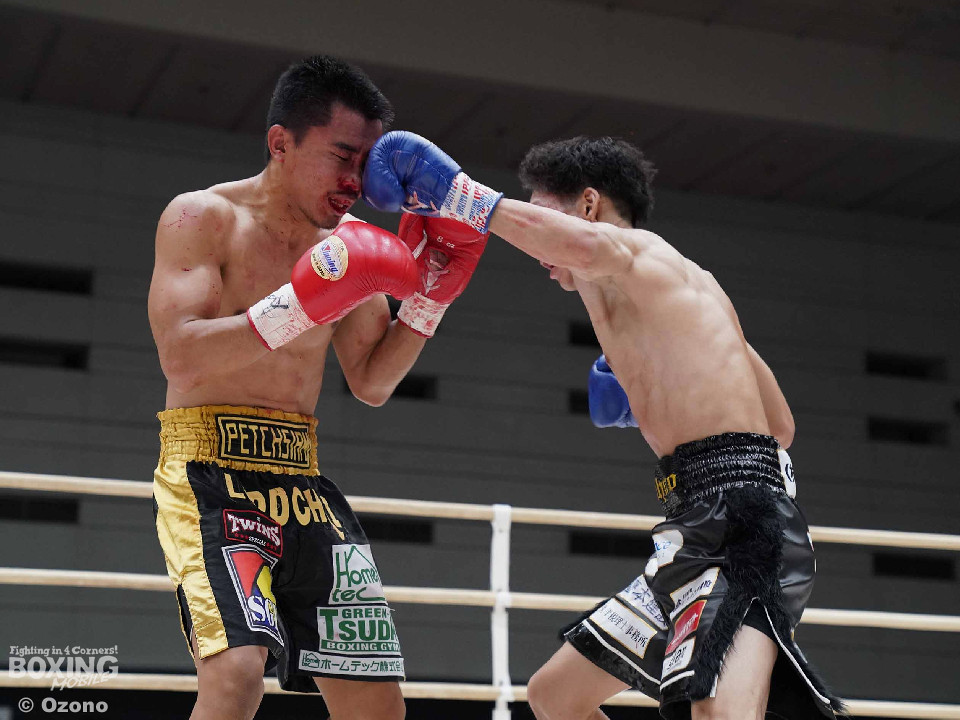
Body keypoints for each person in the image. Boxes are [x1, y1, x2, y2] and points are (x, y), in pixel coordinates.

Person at [360, 133, 843, 719]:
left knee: (717, 714)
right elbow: (781, 425)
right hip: (692, 528)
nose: (537, 247)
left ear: (589, 206)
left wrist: (459, 196)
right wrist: (667, 395)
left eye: (542, 214)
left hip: (745, 527)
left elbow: (585, 248)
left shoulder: (641, 252)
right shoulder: (680, 295)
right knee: (555, 697)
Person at [147, 57, 487, 720]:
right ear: (281, 143)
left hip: (302, 481)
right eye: (342, 156)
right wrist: (299, 305)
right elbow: (180, 355)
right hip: (210, 473)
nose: (357, 180)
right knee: (236, 677)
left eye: (367, 162)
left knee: (377, 706)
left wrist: (431, 298)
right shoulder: (202, 218)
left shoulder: (351, 243)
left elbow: (371, 381)